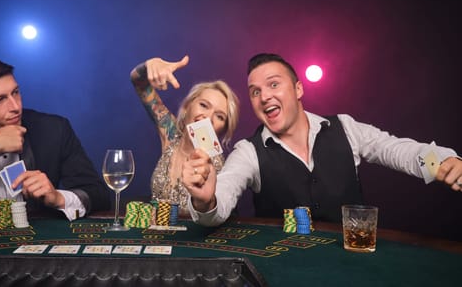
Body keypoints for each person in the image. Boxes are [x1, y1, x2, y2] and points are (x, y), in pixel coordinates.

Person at [182, 53, 462, 226]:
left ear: (298, 88)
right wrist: (206, 203)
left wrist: (444, 162)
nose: (264, 96)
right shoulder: (248, 152)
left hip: (353, 265)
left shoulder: (346, 127)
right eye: (255, 92)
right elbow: (223, 197)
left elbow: (397, 150)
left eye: (274, 84)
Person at [0, 57, 110, 220]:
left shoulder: (54, 128)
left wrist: (57, 198)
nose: (15, 106)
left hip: (36, 236)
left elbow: (98, 195)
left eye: (16, 92)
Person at [130, 55, 239, 215]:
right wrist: (149, 65)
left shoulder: (216, 166)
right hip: (154, 236)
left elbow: (212, 216)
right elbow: (138, 81)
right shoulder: (171, 134)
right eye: (203, 105)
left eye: (219, 116)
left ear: (222, 129)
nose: (208, 118)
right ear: (188, 106)